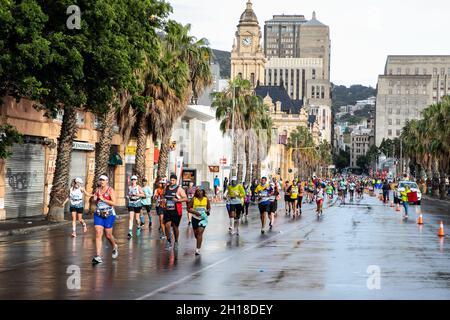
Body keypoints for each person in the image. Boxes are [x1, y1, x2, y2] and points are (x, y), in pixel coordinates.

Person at [92, 175, 118, 265]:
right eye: (100, 180)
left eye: (103, 180)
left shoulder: (110, 190)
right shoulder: (97, 190)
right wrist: (95, 200)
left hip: (109, 215)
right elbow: (95, 202)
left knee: (108, 235)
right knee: (98, 233)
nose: (102, 181)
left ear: (107, 181)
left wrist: (104, 199)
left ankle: (114, 246)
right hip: (98, 214)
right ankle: (98, 256)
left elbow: (114, 203)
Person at [162, 174, 188, 249]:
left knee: (175, 227)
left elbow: (185, 198)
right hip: (167, 210)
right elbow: (163, 195)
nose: (172, 181)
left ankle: (176, 241)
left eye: (173, 180)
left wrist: (178, 200)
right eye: (171, 180)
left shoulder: (179, 189)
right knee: (167, 226)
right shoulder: (166, 187)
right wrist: (163, 199)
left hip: (176, 211)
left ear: (176, 181)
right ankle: (169, 240)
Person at [187, 187, 211, 255]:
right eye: (198, 191)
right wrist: (195, 212)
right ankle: (199, 241)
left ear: (203, 192)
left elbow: (209, 208)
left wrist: (208, 212)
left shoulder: (206, 199)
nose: (199, 192)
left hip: (203, 219)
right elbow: (188, 209)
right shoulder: (193, 199)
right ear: (196, 192)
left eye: (201, 191)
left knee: (200, 232)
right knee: (196, 235)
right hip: (195, 218)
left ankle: (197, 249)